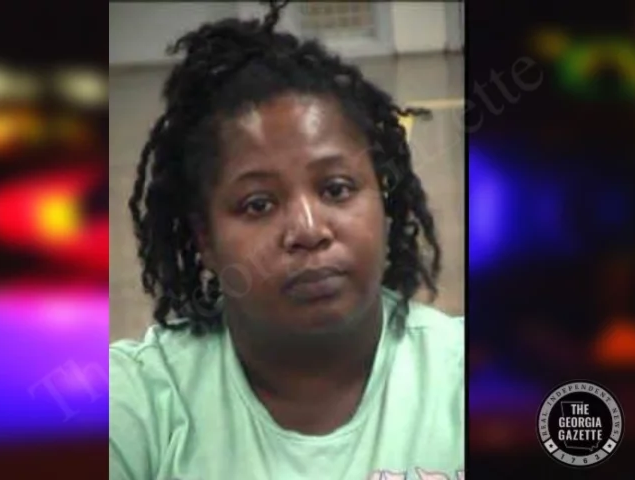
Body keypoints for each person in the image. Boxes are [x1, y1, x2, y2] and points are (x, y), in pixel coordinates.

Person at [110, 2, 464, 479]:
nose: (309, 229)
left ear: (383, 202)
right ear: (205, 239)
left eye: (336, 189)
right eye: (258, 204)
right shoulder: (135, 404)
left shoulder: (464, 375)